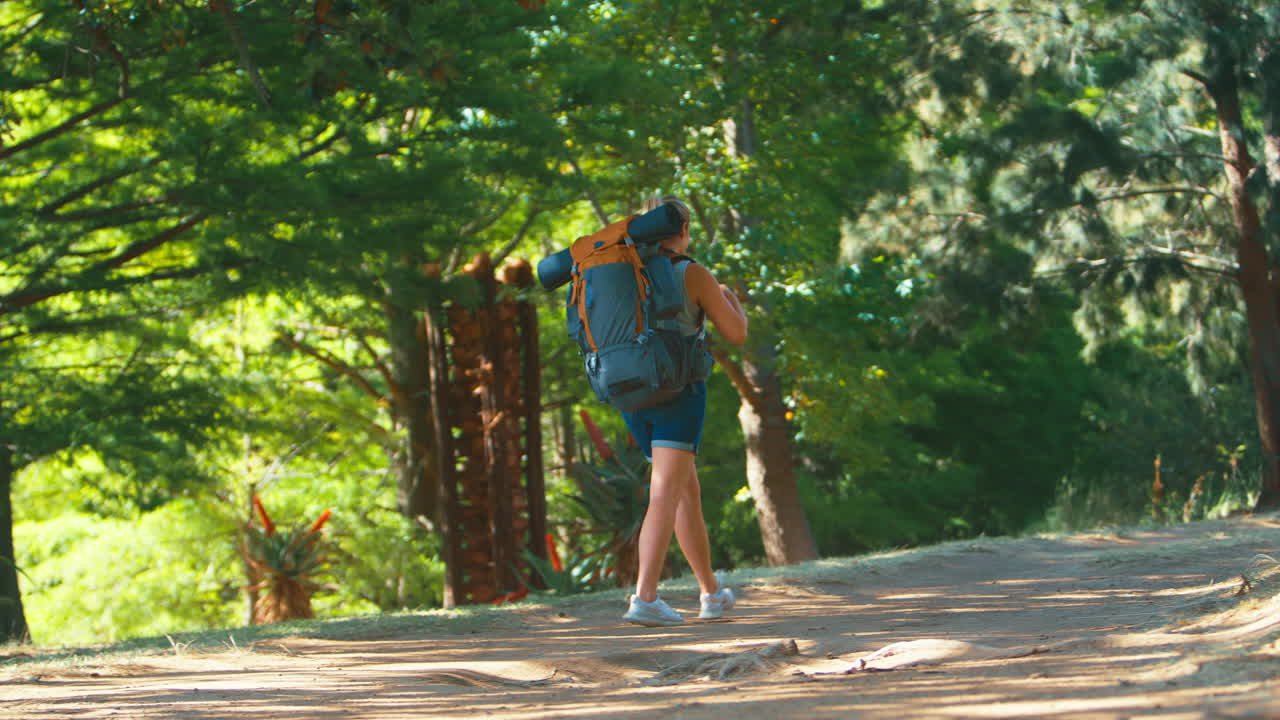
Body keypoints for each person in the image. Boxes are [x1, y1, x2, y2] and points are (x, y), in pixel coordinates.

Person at [621, 195, 748, 627]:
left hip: (631, 395)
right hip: (678, 394)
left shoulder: (623, 272)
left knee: (684, 492)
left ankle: (711, 593)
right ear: (682, 230)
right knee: (666, 492)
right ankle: (645, 598)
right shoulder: (692, 272)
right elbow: (736, 333)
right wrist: (729, 298)